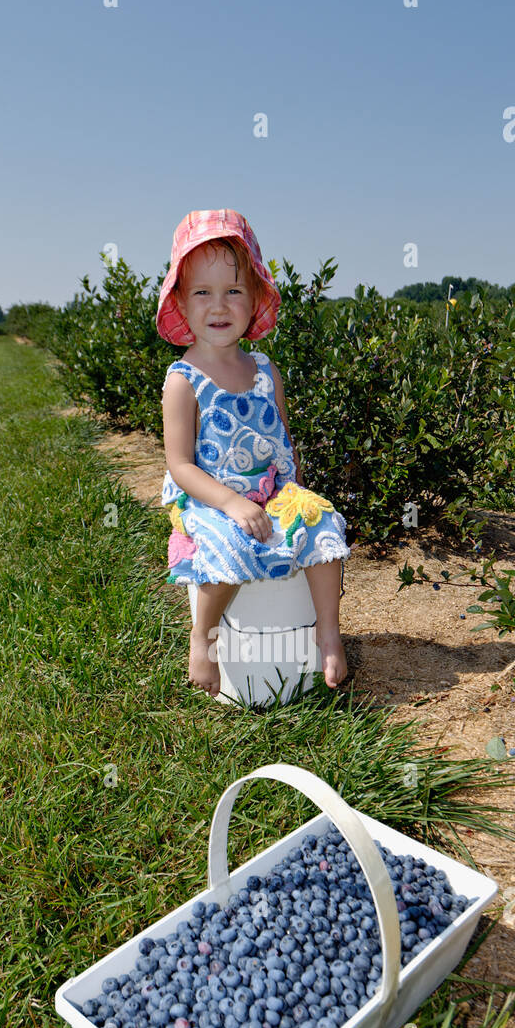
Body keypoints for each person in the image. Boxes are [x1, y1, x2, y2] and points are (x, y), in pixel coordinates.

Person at [157, 208, 351, 698]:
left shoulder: (265, 369)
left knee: (323, 523)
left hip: (271, 491)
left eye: (233, 291)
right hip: (212, 500)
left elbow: (283, 442)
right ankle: (204, 638)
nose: (218, 305)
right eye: (202, 292)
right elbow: (180, 466)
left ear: (255, 298)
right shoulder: (184, 381)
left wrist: (297, 493)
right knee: (230, 546)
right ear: (180, 300)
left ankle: (327, 631)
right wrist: (230, 503)